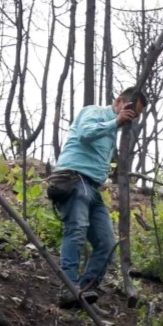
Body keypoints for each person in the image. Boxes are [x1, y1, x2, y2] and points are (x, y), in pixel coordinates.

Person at [52, 88, 147, 308]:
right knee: (76, 230)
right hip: (73, 178)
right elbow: (85, 133)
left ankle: (86, 289)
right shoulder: (94, 112)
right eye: (131, 110)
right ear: (118, 102)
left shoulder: (113, 131)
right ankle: (69, 287)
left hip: (92, 187)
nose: (133, 117)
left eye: (137, 115)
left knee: (106, 243)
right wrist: (115, 122)